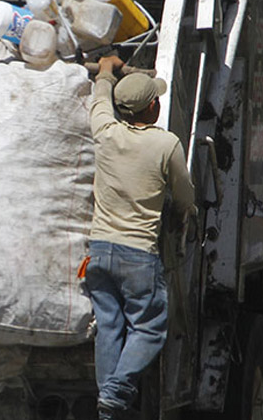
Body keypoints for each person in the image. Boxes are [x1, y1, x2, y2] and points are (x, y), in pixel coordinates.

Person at [86, 55, 195, 420]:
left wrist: (104, 70)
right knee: (148, 329)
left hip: (99, 251)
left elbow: (99, 98)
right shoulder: (166, 145)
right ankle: (115, 395)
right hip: (138, 255)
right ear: (153, 106)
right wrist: (184, 215)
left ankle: (108, 408)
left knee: (109, 328)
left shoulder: (105, 131)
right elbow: (184, 197)